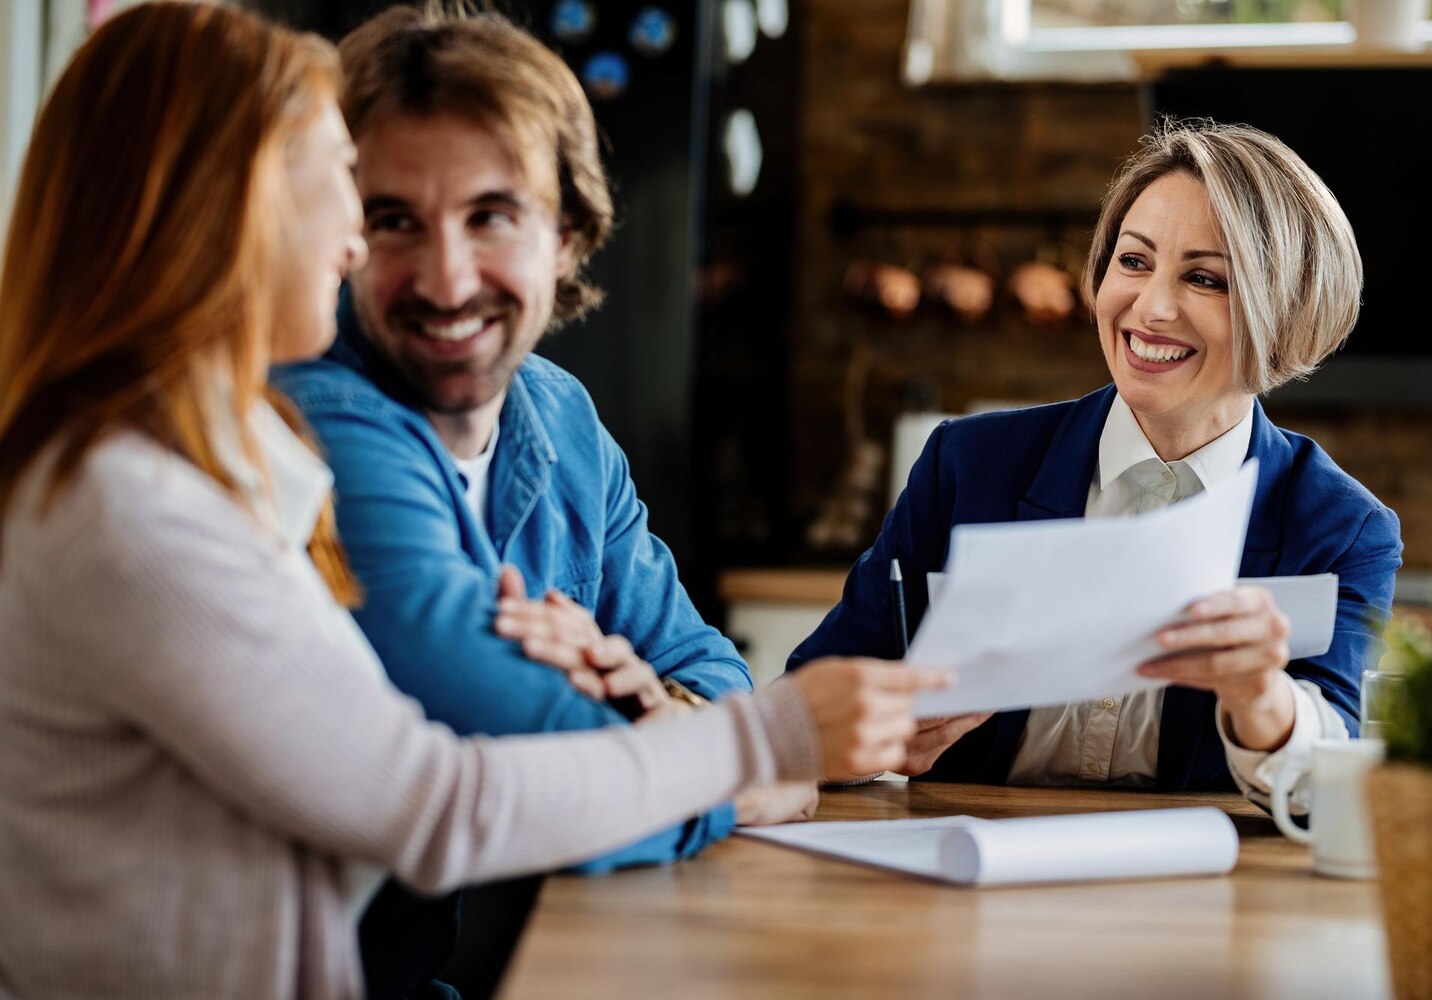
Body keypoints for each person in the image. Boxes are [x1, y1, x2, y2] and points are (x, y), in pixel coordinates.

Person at [0, 5, 947, 997]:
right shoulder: (140, 512)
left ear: (567, 239)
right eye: (357, 197)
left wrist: (653, 702)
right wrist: (761, 741)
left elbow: (667, 672)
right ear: (224, 211)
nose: (360, 247)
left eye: (489, 216)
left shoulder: (200, 469)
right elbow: (441, 799)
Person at [789, 121, 1402, 805]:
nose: (1151, 307)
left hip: (1200, 893)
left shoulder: (1341, 527)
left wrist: (1263, 701)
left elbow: (1331, 786)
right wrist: (870, 742)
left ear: (1286, 311)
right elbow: (800, 713)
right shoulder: (968, 464)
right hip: (964, 874)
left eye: (1204, 278)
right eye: (1133, 262)